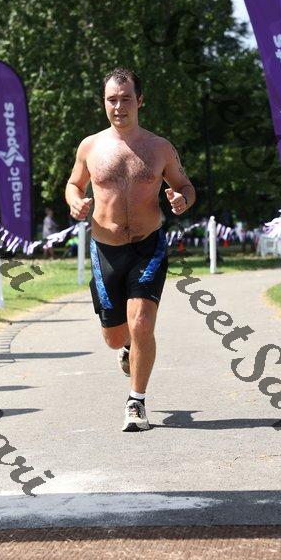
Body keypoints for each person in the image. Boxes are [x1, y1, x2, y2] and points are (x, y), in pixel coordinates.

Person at [65, 67, 195, 432]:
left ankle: (136, 402)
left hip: (147, 246)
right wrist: (75, 202)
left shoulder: (160, 147)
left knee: (141, 323)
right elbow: (73, 184)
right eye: (112, 100)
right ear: (103, 103)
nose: (119, 107)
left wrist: (181, 200)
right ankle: (127, 350)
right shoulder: (90, 147)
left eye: (125, 99)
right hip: (106, 250)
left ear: (140, 100)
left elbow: (186, 186)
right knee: (115, 338)